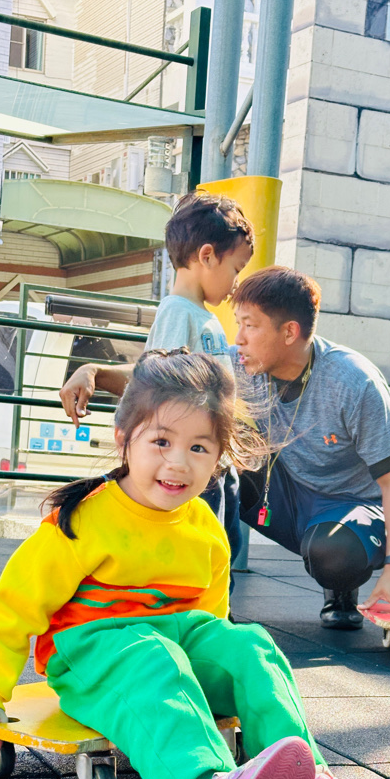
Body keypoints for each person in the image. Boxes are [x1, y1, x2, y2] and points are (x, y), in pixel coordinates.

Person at [0, 350, 386, 779]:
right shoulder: (82, 521)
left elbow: (210, 620)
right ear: (123, 437)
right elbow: (16, 607)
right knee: (155, 657)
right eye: (161, 441)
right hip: (93, 653)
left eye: (198, 447)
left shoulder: (203, 525)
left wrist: (216, 673)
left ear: (219, 458)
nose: (178, 463)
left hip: (170, 645)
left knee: (249, 645)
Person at [231, 266, 390, 629]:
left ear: (289, 332)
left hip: (349, 506)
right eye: (239, 324)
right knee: (210, 453)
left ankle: (341, 588)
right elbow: (173, 376)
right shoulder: (242, 364)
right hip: (285, 494)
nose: (239, 338)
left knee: (333, 553)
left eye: (249, 326)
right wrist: (112, 373)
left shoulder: (353, 381)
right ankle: (211, 592)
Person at [59, 191, 253, 560]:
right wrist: (94, 370)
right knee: (200, 552)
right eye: (236, 269)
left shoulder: (201, 315)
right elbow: (156, 379)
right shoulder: (179, 312)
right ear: (207, 256)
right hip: (191, 461)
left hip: (211, 460)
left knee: (219, 548)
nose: (236, 283)